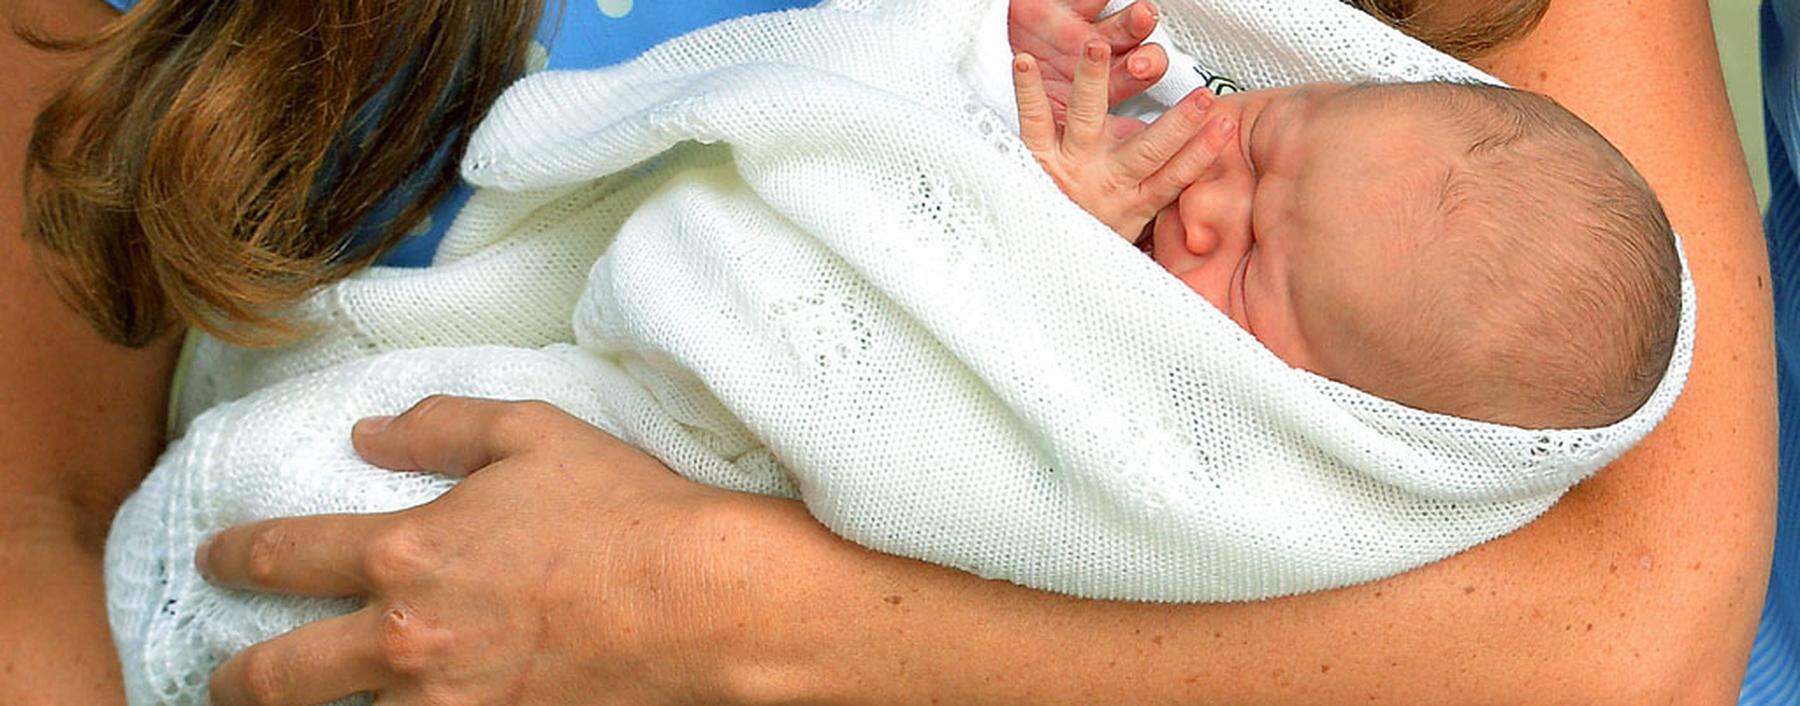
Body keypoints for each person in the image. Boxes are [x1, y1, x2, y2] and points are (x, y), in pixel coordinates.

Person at [0, 1, 1769, 704]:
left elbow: (1633, 641)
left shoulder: (1429, 252)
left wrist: (717, 603)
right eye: (1266, 151)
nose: (1211, 210)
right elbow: (34, 509)